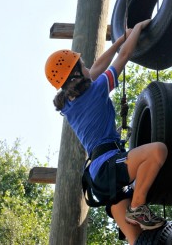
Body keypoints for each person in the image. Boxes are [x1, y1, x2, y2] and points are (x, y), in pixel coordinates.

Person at [45, 19, 168, 245]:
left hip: (100, 180)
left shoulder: (69, 104)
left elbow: (95, 69)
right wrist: (138, 29)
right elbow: (123, 59)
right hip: (107, 167)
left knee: (139, 242)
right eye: (81, 64)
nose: (86, 65)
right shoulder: (96, 91)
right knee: (158, 151)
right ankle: (138, 205)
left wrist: (119, 41)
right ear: (76, 76)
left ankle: (134, 210)